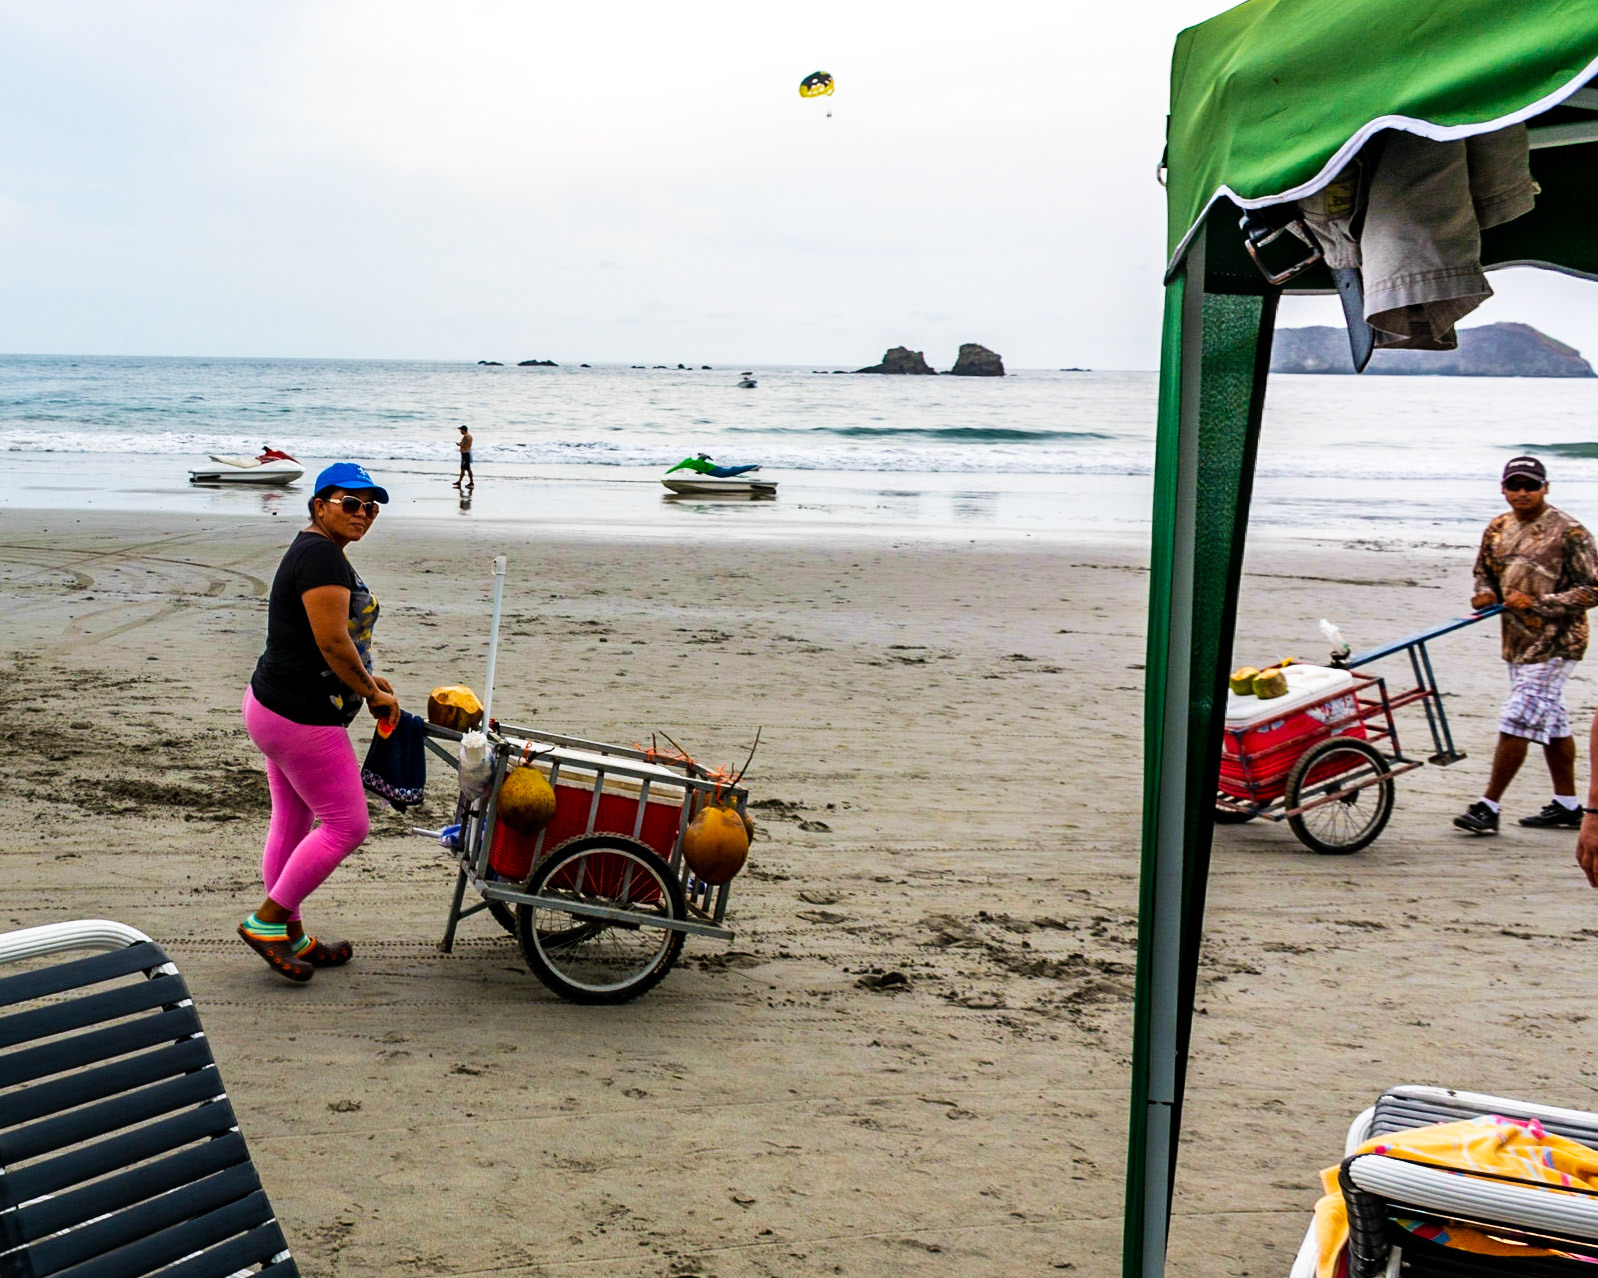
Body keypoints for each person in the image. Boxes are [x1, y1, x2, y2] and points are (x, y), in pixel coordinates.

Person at [239, 462, 399, 981]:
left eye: (370, 506)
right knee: (347, 825)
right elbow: (333, 643)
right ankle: (267, 923)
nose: (362, 513)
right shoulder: (321, 558)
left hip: (271, 706)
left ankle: (290, 935)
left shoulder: (315, 550)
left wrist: (372, 682)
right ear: (320, 505)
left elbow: (334, 642)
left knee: (291, 821)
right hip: (301, 716)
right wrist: (371, 693)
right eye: (350, 503)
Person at [1454, 455, 1598, 835]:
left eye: (1530, 485)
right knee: (1551, 720)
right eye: (1514, 485)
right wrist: (1485, 593)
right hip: (1516, 642)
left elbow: (1593, 589)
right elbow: (1483, 571)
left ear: (1545, 488)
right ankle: (1567, 806)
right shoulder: (1498, 528)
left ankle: (1488, 806)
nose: (1522, 492)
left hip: (1558, 643)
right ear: (1503, 488)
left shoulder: (1570, 532)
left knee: (1516, 717)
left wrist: (1538, 604)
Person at [454, 425, 474, 490]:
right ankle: (459, 482)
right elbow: (465, 444)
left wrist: (459, 445)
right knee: (463, 469)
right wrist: (460, 444)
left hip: (466, 455)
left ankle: (471, 483)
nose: (460, 431)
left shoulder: (466, 437)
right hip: (465, 454)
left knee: (468, 469)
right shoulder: (469, 436)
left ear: (463, 430)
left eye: (461, 430)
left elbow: (465, 445)